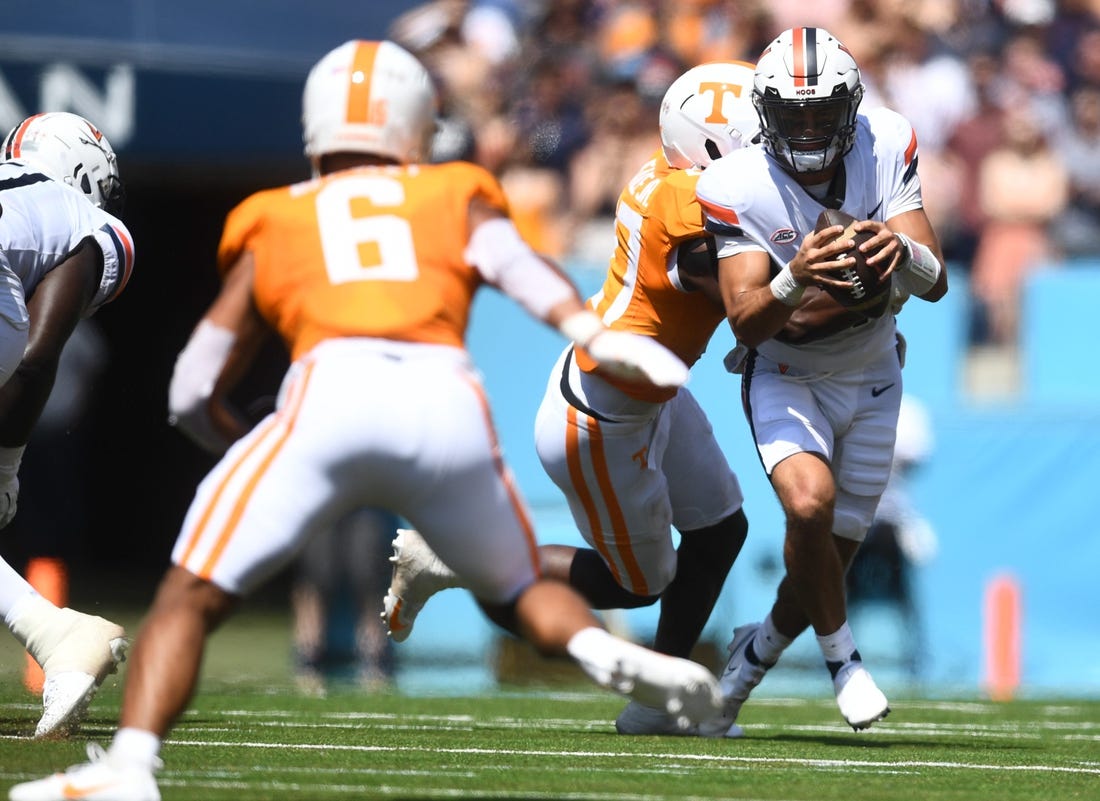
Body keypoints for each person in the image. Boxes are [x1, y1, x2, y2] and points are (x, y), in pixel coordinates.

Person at [9, 40, 722, 801]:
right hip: (442, 401)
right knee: (514, 577)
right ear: (413, 126)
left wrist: (237, 439)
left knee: (189, 597)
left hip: (326, 397)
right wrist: (595, 336)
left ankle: (130, 768)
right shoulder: (454, 191)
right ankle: (613, 656)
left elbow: (191, 384)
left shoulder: (273, 213)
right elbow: (526, 274)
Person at [383, 60, 759, 738]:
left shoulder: (681, 177)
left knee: (722, 527)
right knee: (641, 581)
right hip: (605, 417)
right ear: (709, 145)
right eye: (756, 136)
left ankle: (659, 702)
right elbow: (736, 290)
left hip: (645, 386)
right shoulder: (687, 204)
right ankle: (455, 558)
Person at [693, 26, 949, 733]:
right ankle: (846, 663)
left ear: (851, 107)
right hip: (785, 375)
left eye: (822, 112)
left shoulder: (886, 140)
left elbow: (937, 280)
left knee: (823, 563)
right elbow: (749, 322)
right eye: (793, 113)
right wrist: (797, 274)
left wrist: (898, 249)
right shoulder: (734, 183)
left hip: (872, 375)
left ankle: (750, 658)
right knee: (808, 509)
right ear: (765, 113)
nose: (808, 127)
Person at [0, 111, 133, 739]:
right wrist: (5, 465)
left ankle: (56, 633)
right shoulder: (92, 225)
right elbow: (36, 358)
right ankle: (58, 632)